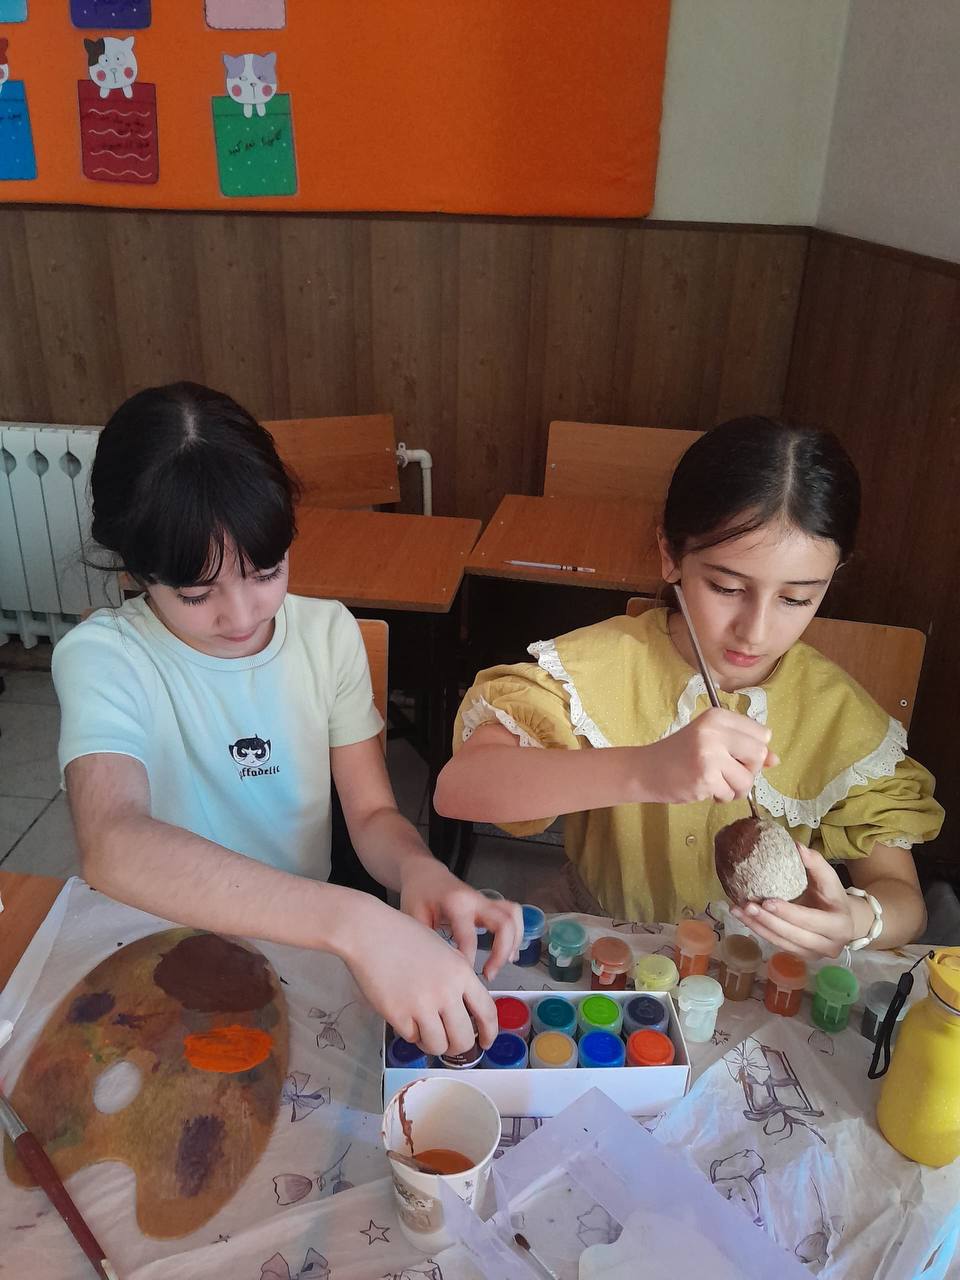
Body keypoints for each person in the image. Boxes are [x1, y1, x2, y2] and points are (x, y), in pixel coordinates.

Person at [53, 381, 521, 1056]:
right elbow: (113, 842)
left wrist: (419, 868)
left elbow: (371, 814)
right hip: (163, 954)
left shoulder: (327, 636)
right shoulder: (104, 657)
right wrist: (356, 920)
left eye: (266, 571)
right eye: (197, 593)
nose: (241, 614)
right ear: (136, 569)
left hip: (301, 952)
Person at [436, 417, 943, 958]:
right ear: (670, 555)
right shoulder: (600, 665)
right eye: (726, 587)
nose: (755, 631)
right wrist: (644, 769)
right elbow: (460, 787)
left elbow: (903, 898)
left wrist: (858, 919)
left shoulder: (834, 710)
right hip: (605, 935)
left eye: (796, 598)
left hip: (752, 964)